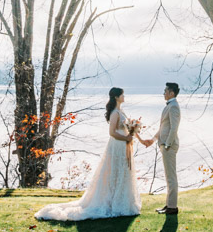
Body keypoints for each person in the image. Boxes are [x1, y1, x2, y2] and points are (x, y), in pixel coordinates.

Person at [34, 87, 142, 221]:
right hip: (118, 145)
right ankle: (114, 203)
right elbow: (112, 133)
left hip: (124, 145)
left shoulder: (122, 111)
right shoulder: (115, 113)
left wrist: (133, 132)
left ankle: (123, 202)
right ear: (116, 97)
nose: (124, 96)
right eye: (122, 95)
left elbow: (127, 127)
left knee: (123, 172)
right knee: (115, 172)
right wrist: (126, 138)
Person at [140, 81, 181, 214]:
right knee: (168, 176)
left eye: (165, 91)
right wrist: (152, 140)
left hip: (169, 146)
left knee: (171, 177)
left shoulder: (174, 106)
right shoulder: (170, 106)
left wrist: (167, 144)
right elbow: (164, 128)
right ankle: (169, 205)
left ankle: (173, 207)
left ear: (171, 93)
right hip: (164, 144)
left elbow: (174, 128)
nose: (163, 93)